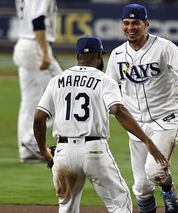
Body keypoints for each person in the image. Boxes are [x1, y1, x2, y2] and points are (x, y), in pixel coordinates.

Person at [106, 3, 178, 213]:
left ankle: (168, 190)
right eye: (126, 23)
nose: (130, 27)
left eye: (135, 23)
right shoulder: (116, 55)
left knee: (155, 172)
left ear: (146, 24)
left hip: (166, 120)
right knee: (141, 189)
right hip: (136, 126)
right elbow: (108, 91)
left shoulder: (164, 47)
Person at [33, 35, 167, 213]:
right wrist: (147, 140)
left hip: (63, 152)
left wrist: (45, 152)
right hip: (94, 150)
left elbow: (38, 118)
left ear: (77, 57)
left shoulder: (57, 81)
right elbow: (118, 111)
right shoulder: (105, 81)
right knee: (120, 202)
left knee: (66, 207)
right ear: (99, 57)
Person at [13, 0, 63, 162]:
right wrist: (44, 51)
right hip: (35, 45)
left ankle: (26, 152)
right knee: (64, 95)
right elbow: (38, 20)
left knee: (29, 102)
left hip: (24, 44)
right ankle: (31, 140)